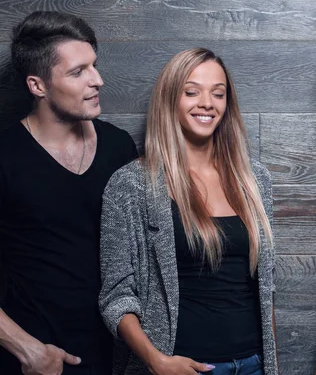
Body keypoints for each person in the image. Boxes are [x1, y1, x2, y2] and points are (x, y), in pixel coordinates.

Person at [98, 48, 278, 375]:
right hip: (179, 366)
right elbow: (117, 297)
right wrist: (157, 361)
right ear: (170, 100)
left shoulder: (255, 180)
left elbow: (266, 290)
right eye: (191, 92)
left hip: (253, 364)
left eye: (218, 93)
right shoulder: (132, 185)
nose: (207, 102)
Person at [0, 11, 138, 375]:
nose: (98, 80)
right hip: (37, 360)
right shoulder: (5, 155)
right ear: (37, 86)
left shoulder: (119, 147)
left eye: (94, 66)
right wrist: (27, 350)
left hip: (116, 356)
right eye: (78, 72)